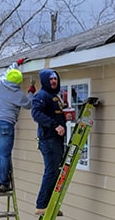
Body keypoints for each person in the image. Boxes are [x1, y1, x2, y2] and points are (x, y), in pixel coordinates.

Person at [0, 59, 35, 193]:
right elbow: (29, 104)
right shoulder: (17, 94)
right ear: (18, 82)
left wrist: (17, 62)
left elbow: (8, 69)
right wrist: (31, 92)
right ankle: (3, 184)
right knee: (4, 155)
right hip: (5, 124)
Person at [30, 69, 66, 216]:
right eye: (50, 79)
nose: (53, 81)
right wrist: (55, 125)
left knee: (55, 171)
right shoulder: (42, 95)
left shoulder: (54, 97)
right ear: (45, 80)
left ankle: (50, 204)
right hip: (49, 139)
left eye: (55, 79)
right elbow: (36, 114)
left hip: (56, 139)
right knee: (51, 171)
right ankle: (42, 204)